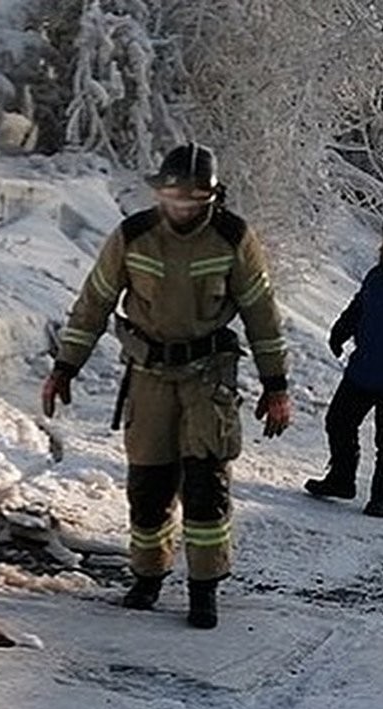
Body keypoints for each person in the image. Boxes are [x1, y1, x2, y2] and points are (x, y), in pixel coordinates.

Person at [41, 142, 291, 629]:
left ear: (211, 197)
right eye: (174, 197)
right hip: (150, 376)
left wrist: (275, 385)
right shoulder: (133, 236)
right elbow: (92, 304)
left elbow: (263, 315)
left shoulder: (233, 237)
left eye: (195, 199)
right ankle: (148, 576)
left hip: (208, 377)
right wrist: (64, 368)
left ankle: (204, 588)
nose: (183, 206)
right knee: (149, 486)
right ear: (160, 192)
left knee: (205, 486)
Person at [304, 219, 383, 518]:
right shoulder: (376, 276)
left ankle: (382, 497)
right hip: (364, 369)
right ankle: (341, 479)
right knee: (338, 421)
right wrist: (341, 329)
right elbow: (359, 307)